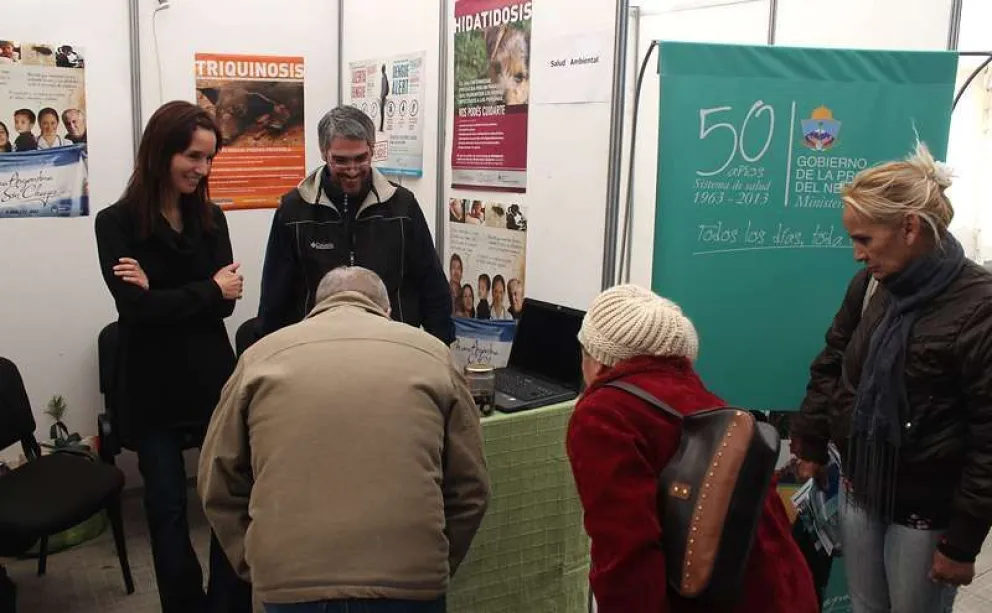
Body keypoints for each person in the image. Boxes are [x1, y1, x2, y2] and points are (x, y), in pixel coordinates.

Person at [198, 266, 490, 613]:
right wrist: (435, 561)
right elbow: (471, 487)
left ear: (314, 309)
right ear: (387, 311)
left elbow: (216, 481)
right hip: (410, 580)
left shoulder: (258, 359)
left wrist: (256, 561)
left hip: (288, 583)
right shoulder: (435, 356)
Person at [792, 143, 992, 613]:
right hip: (860, 491)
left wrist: (962, 542)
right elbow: (833, 361)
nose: (857, 255)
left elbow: (989, 437)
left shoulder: (980, 308)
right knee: (865, 607)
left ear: (910, 227)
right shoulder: (871, 287)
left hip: (926, 515)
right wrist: (811, 440)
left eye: (865, 239)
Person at [567, 284, 819, 613]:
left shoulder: (604, 414)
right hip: (783, 589)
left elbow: (625, 556)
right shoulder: (698, 397)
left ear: (598, 360)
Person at [94, 100, 251, 613]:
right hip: (151, 384)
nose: (202, 169)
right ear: (161, 152)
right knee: (166, 507)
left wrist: (163, 292)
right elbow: (135, 310)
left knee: (227, 498)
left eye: (209, 158)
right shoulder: (115, 223)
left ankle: (226, 604)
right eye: (193, 156)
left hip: (209, 378)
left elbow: (226, 306)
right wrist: (206, 288)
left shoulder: (211, 217)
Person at [257, 105, 453, 345]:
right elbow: (275, 293)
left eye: (361, 158)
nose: (352, 170)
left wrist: (442, 346)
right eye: (340, 160)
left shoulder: (402, 206)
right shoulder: (294, 209)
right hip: (318, 347)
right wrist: (269, 349)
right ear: (324, 152)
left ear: (372, 149)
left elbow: (430, 282)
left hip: (391, 346)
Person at [379, 64, 390, 132]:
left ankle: (381, 127)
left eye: (382, 68)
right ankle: (381, 127)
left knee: (382, 112)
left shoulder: (384, 77)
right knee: (381, 112)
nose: (382, 70)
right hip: (383, 96)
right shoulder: (384, 76)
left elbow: (384, 87)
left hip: (383, 97)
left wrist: (382, 96)